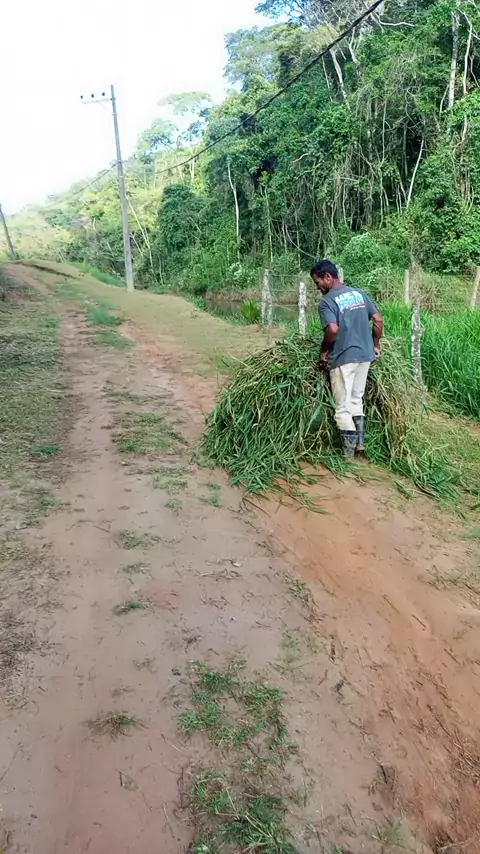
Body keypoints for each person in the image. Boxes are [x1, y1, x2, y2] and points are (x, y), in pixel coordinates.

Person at [310, 259, 384, 458]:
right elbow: (378, 320)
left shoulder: (327, 302)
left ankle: (348, 455)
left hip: (343, 357)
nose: (317, 287)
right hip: (365, 356)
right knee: (356, 399)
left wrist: (324, 351)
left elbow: (333, 329)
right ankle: (360, 444)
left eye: (318, 282)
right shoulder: (359, 293)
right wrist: (375, 344)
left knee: (342, 408)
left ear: (328, 277)